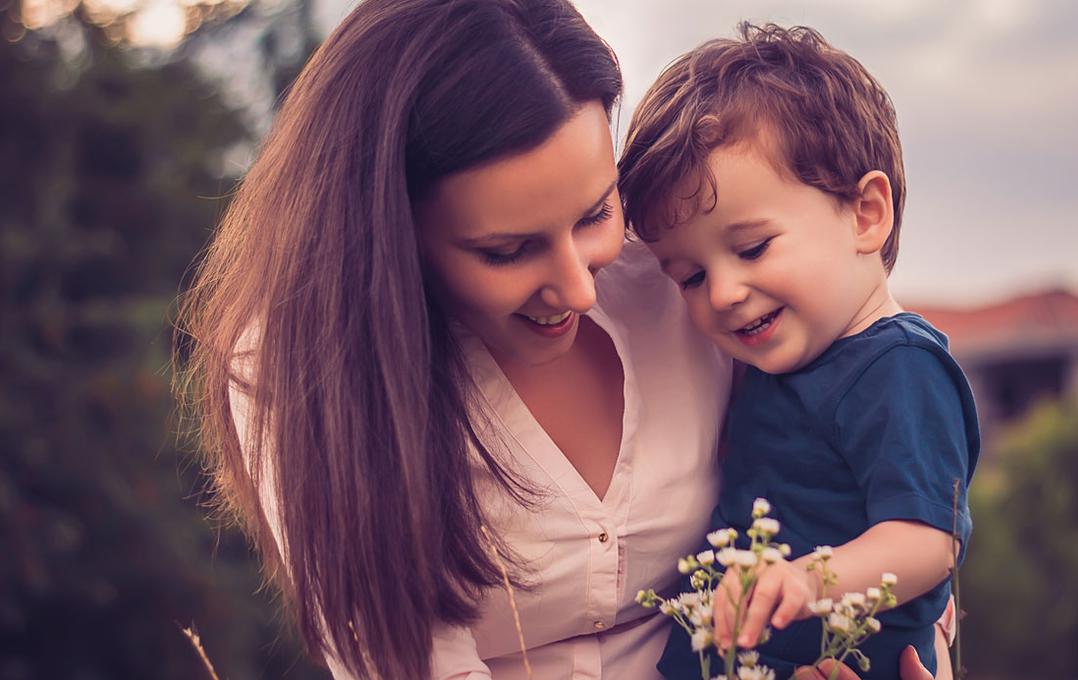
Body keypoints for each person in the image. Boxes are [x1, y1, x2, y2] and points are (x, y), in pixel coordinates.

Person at [176, 0, 950, 677]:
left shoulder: (689, 279)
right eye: (507, 250)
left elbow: (886, 492)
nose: (581, 289)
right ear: (390, 238)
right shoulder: (298, 375)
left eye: (595, 215)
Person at [618, 24, 978, 679]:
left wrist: (809, 581)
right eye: (690, 277)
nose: (723, 293)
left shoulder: (900, 367)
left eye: (752, 247)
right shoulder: (772, 360)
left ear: (867, 214)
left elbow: (928, 540)